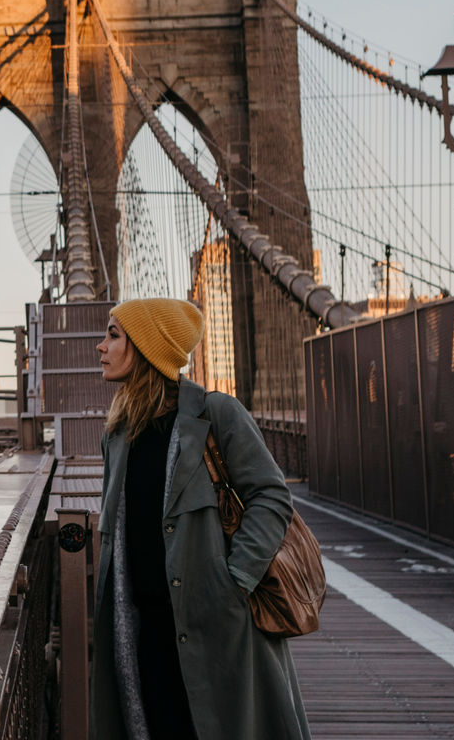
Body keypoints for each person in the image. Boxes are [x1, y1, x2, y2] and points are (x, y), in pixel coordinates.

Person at [88, 298, 310, 740]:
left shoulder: (216, 414)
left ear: (149, 347)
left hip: (214, 624)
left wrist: (236, 581)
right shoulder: (117, 432)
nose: (100, 346)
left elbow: (271, 496)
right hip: (141, 630)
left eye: (113, 335)